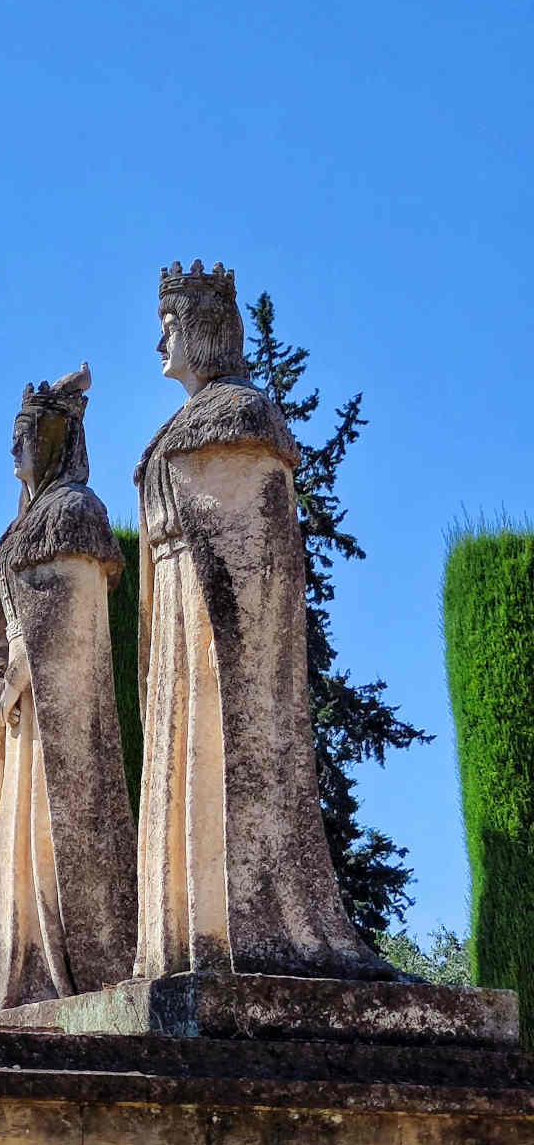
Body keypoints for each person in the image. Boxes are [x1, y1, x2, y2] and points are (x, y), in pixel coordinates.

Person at [134, 260, 394, 981]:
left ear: (205, 330)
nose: (159, 345)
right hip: (180, 621)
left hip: (221, 640)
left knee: (222, 770)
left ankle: (237, 935)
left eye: (168, 328)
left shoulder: (243, 417)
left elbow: (259, 562)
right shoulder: (182, 429)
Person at [0, 364, 138, 1013]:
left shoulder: (75, 512)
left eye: (25, 436)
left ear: (53, 439)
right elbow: (3, 618)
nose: (15, 450)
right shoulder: (21, 527)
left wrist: (19, 677)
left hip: (56, 711)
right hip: (20, 711)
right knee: (21, 839)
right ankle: (28, 965)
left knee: (54, 831)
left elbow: (66, 616)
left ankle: (68, 964)